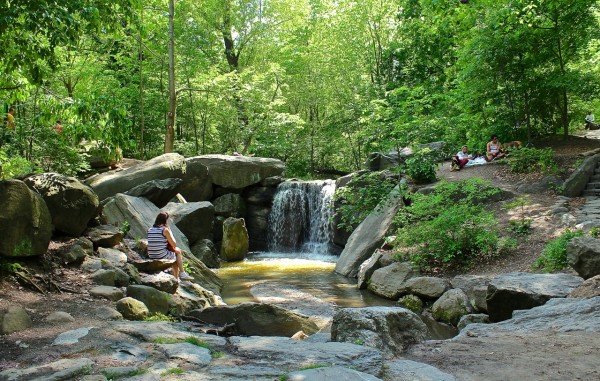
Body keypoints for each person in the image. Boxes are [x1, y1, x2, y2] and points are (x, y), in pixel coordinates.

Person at [147, 212, 192, 280]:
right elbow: (174, 244)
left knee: (174, 253)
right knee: (177, 252)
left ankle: (178, 278)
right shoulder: (164, 230)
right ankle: (181, 274)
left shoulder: (150, 229)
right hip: (160, 255)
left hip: (151, 254)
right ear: (165, 221)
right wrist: (169, 230)